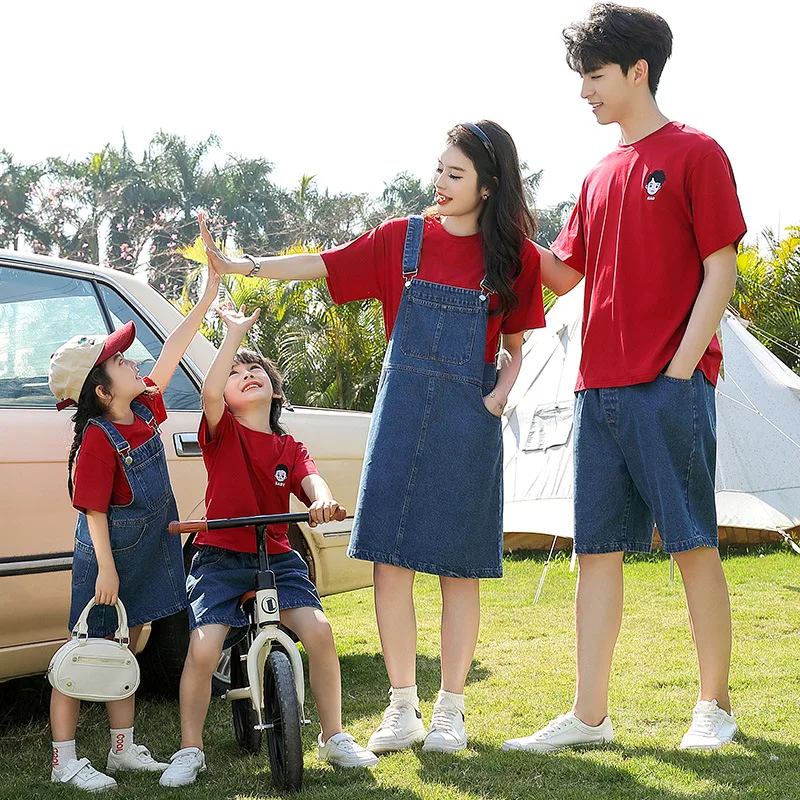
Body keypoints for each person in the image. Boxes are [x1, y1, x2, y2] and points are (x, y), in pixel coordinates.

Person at [199, 119, 545, 754]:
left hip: (470, 422)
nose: (439, 183)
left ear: (489, 187)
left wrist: (499, 394)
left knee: (457, 571)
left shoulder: (513, 257)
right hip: (400, 419)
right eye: (438, 170)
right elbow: (324, 265)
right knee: (391, 563)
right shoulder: (401, 240)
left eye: (456, 174)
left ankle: (451, 710)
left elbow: (517, 343)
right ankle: (403, 707)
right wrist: (243, 264)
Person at [503, 3, 746, 754]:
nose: (586, 93)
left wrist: (678, 372)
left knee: (691, 545)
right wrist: (498, 218)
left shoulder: (697, 153)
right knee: (596, 555)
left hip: (666, 387)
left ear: (639, 71)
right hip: (595, 391)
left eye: (596, 77)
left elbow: (721, 272)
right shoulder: (599, 172)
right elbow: (565, 273)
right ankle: (590, 717)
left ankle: (714, 707)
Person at [159, 299, 377, 787]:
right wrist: (233, 334)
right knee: (203, 646)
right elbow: (210, 392)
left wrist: (323, 501)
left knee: (319, 633)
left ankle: (333, 734)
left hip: (278, 556)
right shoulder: (222, 432)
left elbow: (313, 482)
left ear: (275, 390)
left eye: (256, 368)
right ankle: (189, 748)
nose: (247, 373)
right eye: (238, 373)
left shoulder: (289, 446)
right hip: (219, 558)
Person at [47, 268, 221, 791]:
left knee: (124, 646)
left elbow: (170, 349)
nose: (133, 361)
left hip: (141, 554)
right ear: (101, 391)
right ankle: (64, 760)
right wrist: (104, 569)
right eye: (121, 361)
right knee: (85, 652)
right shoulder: (98, 440)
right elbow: (92, 511)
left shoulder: (141, 408)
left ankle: (122, 749)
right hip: (108, 560)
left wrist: (207, 298)